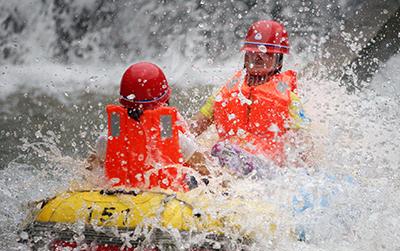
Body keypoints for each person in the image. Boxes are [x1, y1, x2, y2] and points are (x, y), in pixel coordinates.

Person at [190, 20, 311, 177]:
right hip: (227, 159)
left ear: (278, 59)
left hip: (268, 169)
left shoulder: (289, 99)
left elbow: (304, 146)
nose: (259, 57)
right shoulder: (223, 93)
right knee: (210, 155)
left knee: (222, 151)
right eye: (253, 51)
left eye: (267, 53)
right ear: (246, 54)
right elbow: (193, 128)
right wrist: (169, 136)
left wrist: (303, 173)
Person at [87, 61, 208, 190]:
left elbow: (90, 168)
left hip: (120, 198)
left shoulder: (107, 139)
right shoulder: (173, 138)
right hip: (164, 199)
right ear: (164, 101)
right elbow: (204, 168)